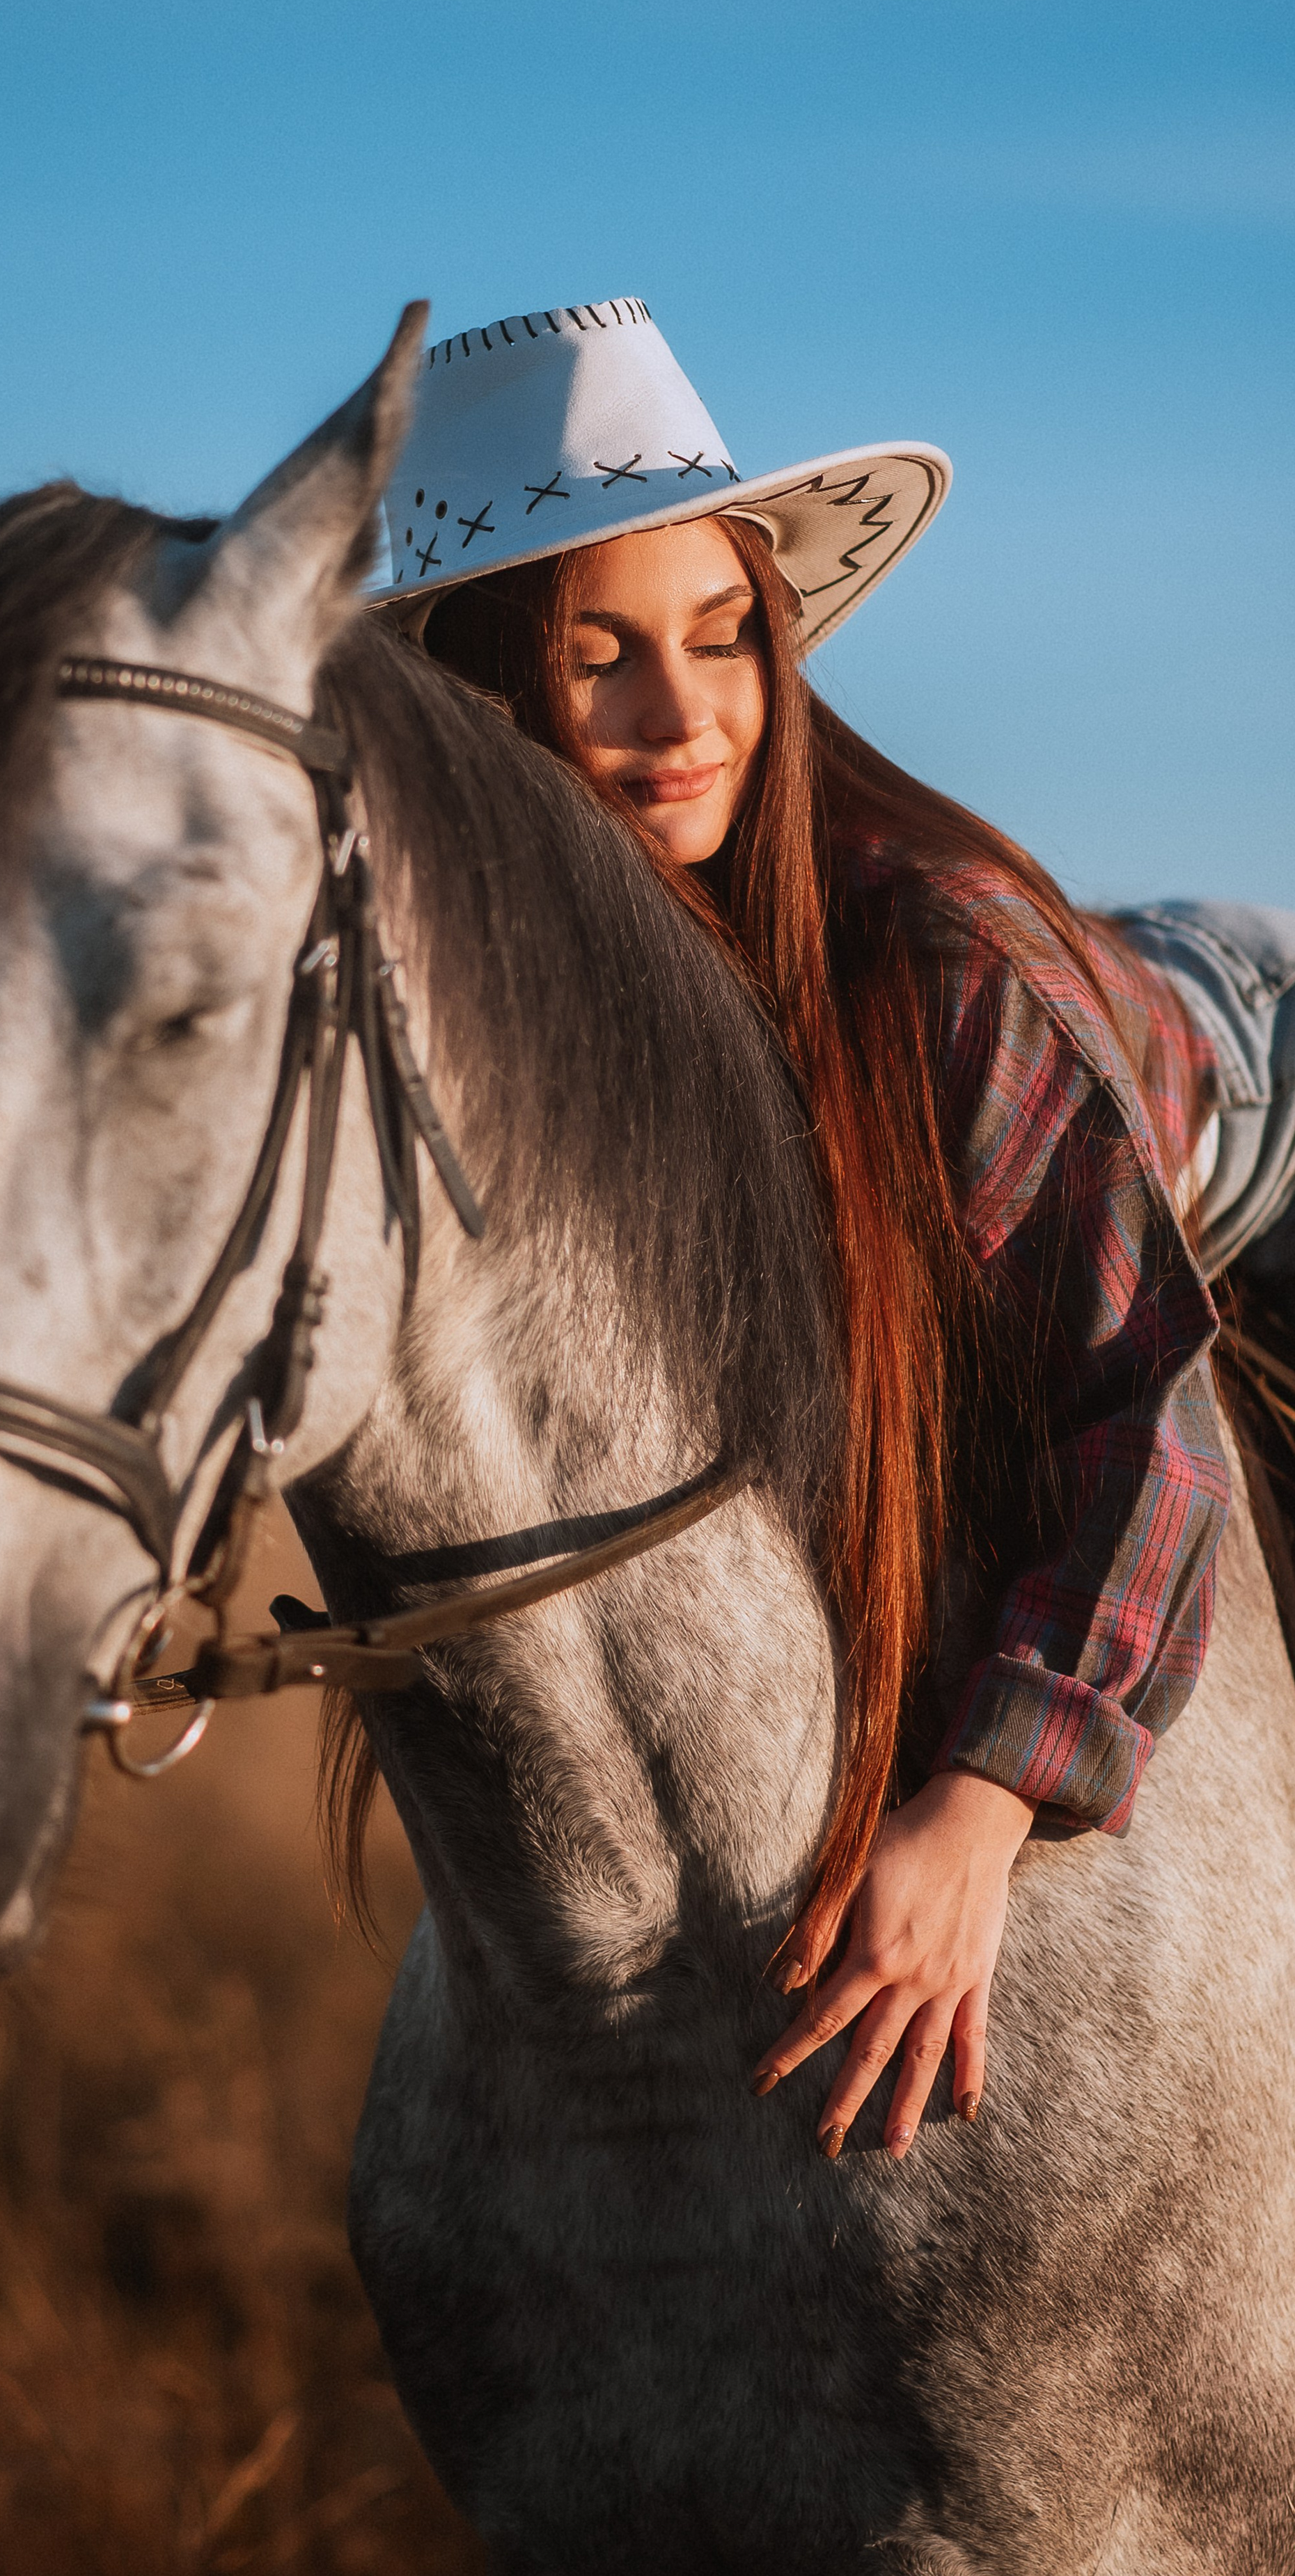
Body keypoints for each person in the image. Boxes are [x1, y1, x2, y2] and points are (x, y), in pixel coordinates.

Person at [371, 298, 1295, 2163]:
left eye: (726, 638)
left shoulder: (948, 968)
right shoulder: (532, 994)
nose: (684, 715)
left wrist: (980, 1807)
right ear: (484, 700)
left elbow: (1140, 1414)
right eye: (598, 657)